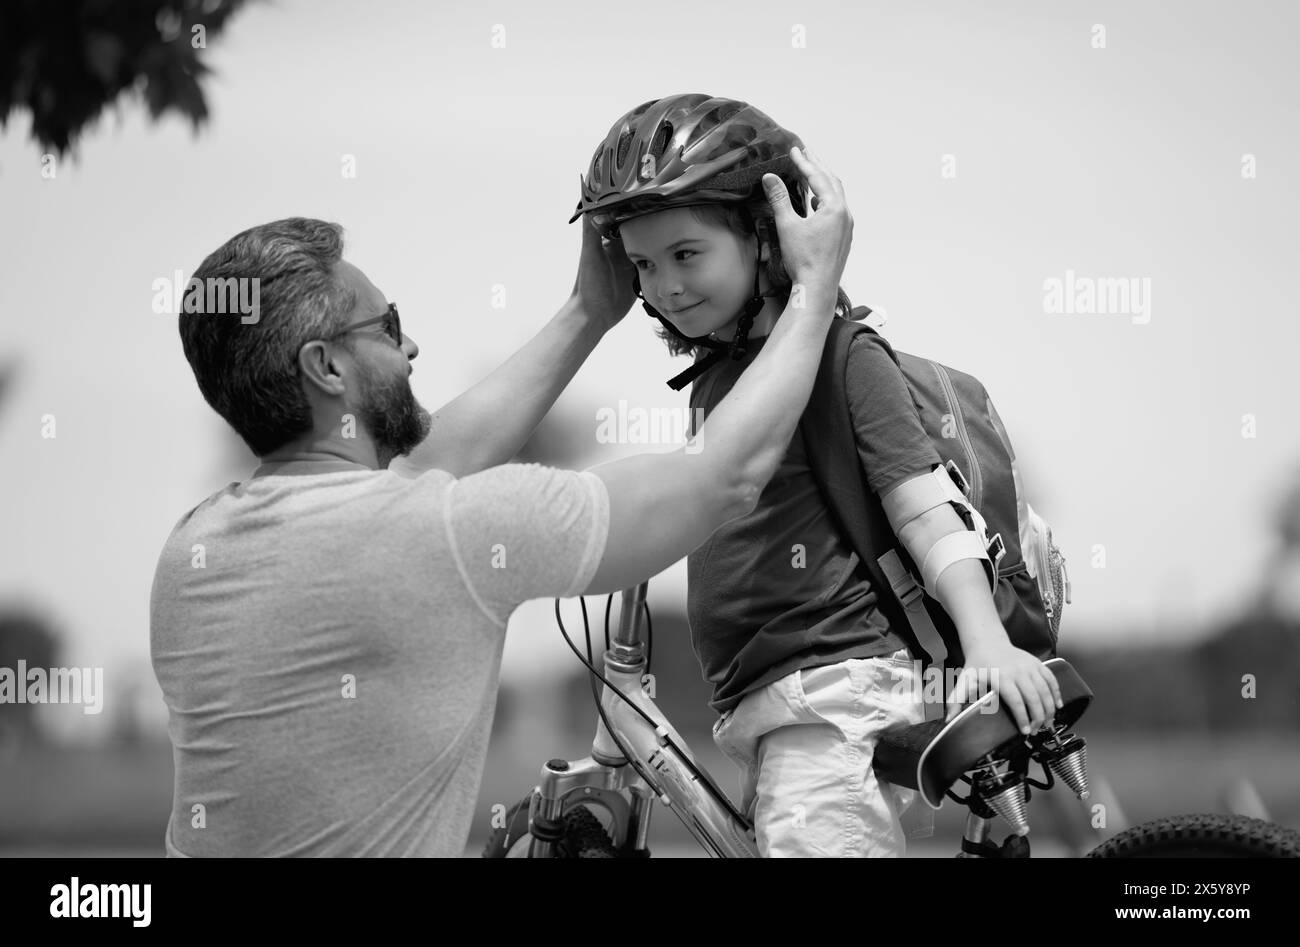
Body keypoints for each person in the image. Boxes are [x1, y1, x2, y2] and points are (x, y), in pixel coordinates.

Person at [149, 145, 853, 856]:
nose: (413, 346)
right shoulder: (442, 533)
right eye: (387, 327)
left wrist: (589, 310)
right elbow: (725, 476)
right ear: (325, 367)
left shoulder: (192, 551)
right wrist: (814, 287)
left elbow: (420, 464)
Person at [570, 93, 1062, 857]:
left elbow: (926, 507)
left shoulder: (842, 356)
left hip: (831, 694)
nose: (664, 286)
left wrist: (986, 640)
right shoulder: (719, 381)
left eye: (686, 254)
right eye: (642, 263)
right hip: (780, 704)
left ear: (767, 238)